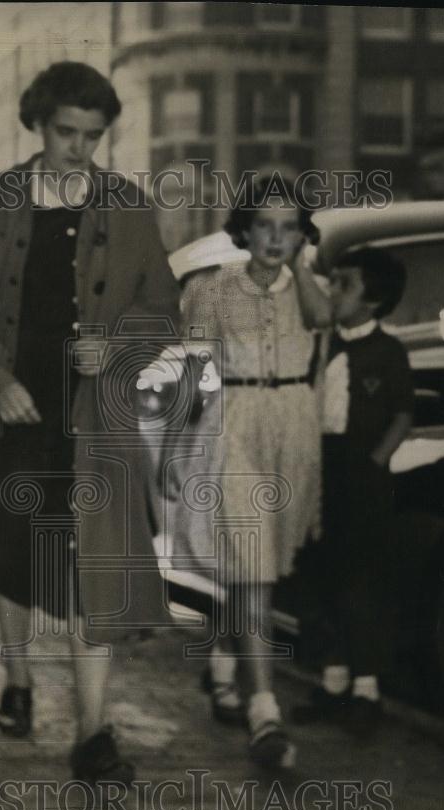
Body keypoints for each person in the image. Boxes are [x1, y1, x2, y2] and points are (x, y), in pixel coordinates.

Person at [0, 61, 181, 784]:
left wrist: (115, 344)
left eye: (92, 135)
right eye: (65, 132)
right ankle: (17, 675)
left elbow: (162, 309)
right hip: (9, 411)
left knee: (90, 569)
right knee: (5, 543)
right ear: (38, 125)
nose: (78, 148)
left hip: (89, 418)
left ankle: (93, 732)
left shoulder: (128, 206)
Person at [166, 176, 331, 768]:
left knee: (259, 568)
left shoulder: (312, 288)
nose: (276, 238)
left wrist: (306, 265)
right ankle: (266, 712)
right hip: (231, 423)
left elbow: (320, 317)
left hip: (291, 426)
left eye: (290, 227)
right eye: (266, 225)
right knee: (253, 567)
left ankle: (223, 661)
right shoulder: (212, 291)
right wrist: (175, 454)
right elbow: (194, 374)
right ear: (245, 228)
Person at [291, 247, 414, 738]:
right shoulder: (323, 345)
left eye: (344, 284)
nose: (332, 292)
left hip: (361, 476)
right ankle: (334, 681)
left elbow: (403, 413)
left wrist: (375, 461)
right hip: (323, 469)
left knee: (359, 579)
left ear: (374, 299)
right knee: (321, 575)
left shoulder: (388, 351)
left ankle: (366, 689)